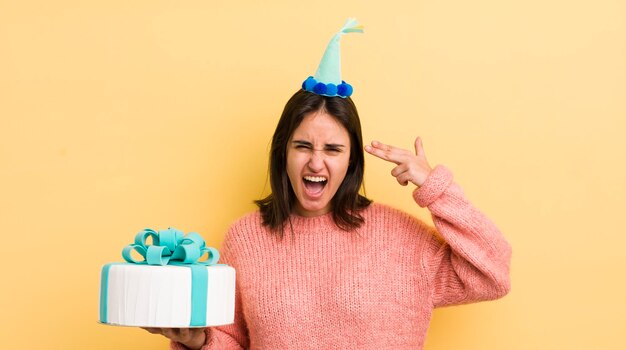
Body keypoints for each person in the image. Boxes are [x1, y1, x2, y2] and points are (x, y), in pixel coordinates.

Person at [145, 19, 511, 350]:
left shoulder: (402, 239)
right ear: (283, 152)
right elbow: (231, 342)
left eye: (333, 149)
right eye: (303, 146)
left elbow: (492, 274)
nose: (316, 162)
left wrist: (436, 188)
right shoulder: (246, 239)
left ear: (351, 159)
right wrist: (198, 341)